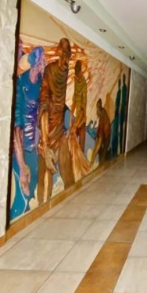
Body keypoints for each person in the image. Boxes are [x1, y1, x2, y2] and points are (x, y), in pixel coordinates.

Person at [37, 38, 75, 203]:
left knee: (62, 169)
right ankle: (42, 204)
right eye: (64, 53)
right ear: (59, 52)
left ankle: (56, 199)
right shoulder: (52, 70)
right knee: (44, 172)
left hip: (58, 127)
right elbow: (45, 106)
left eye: (68, 55)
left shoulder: (63, 71)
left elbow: (57, 102)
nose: (66, 58)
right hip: (49, 127)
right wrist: (45, 143)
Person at [12, 46, 45, 215]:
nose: (40, 67)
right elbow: (17, 123)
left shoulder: (38, 80)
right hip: (20, 145)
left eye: (42, 63)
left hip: (32, 142)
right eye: (38, 64)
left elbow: (37, 106)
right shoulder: (21, 80)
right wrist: (21, 163)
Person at [70, 60, 88, 153]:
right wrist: (71, 115)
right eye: (76, 74)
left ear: (80, 71)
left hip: (81, 119)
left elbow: (83, 108)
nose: (77, 76)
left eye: (78, 73)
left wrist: (76, 124)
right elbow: (74, 98)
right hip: (77, 117)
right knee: (72, 143)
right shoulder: (77, 80)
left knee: (81, 147)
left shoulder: (83, 84)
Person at [91, 98, 111, 166]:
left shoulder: (102, 114)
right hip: (104, 133)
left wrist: (99, 137)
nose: (96, 111)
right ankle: (96, 163)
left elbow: (101, 130)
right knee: (99, 148)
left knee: (102, 150)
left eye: (97, 108)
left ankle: (100, 165)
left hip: (107, 134)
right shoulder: (101, 113)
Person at [119, 73, 128, 152]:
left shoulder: (124, 88)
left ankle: (121, 147)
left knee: (122, 128)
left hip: (122, 111)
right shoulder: (121, 89)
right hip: (121, 111)